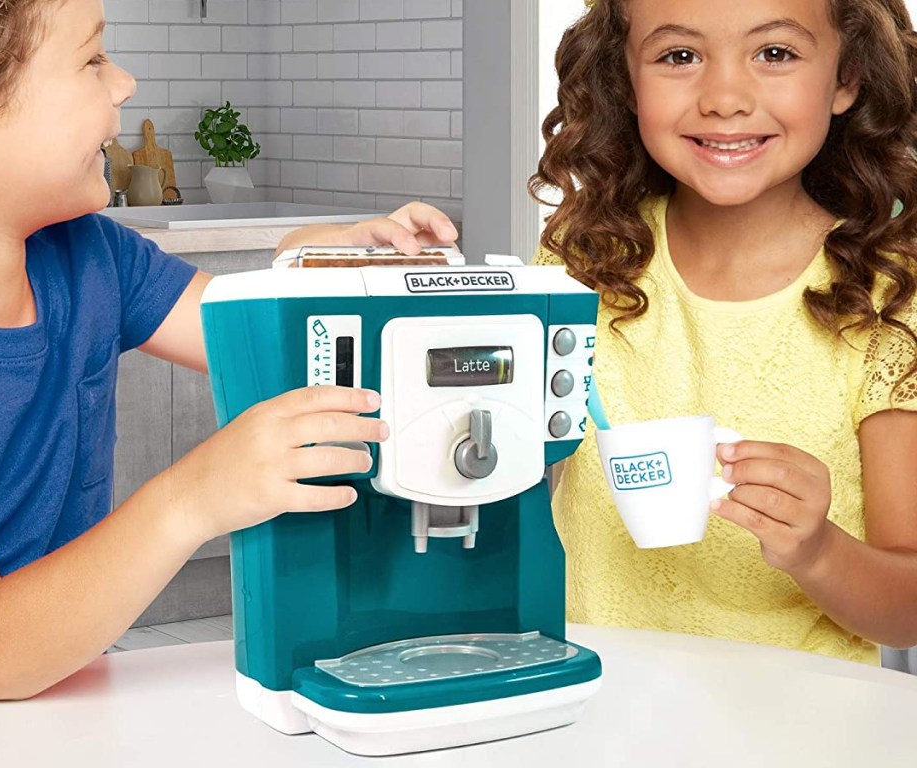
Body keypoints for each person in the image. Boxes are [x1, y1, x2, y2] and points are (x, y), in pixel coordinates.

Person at [283, 0, 917, 665]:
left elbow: (905, 613)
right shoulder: (585, 259)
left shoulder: (891, 297)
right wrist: (352, 277)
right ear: (625, 78)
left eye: (775, 53)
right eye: (680, 56)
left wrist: (819, 550)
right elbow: (493, 449)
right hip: (593, 701)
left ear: (846, 78)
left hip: (799, 729)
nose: (725, 98)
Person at [0, 0, 459, 700]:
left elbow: (254, 342)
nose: (124, 82)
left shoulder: (93, 257)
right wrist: (192, 498)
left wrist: (325, 270)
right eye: (91, 60)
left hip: (66, 706)